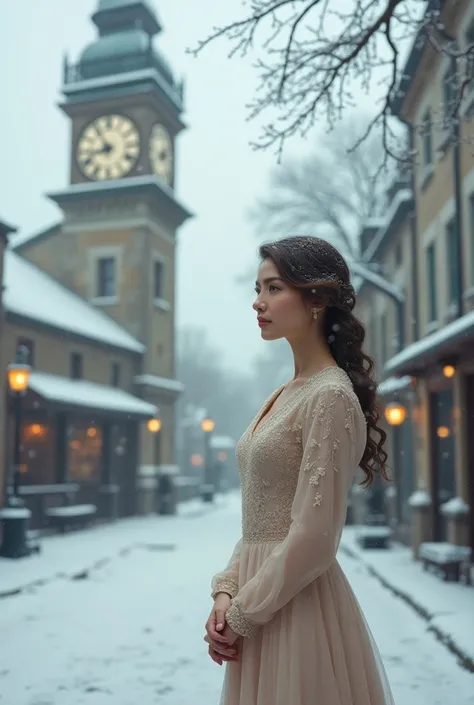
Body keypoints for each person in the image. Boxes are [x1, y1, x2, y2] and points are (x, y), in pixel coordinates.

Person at [204, 236, 395, 705]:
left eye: (273, 288)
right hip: (258, 601)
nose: (257, 301)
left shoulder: (328, 396)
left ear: (316, 300)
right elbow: (261, 518)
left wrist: (245, 611)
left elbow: (314, 536)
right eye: (257, 288)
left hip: (296, 610)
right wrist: (226, 591)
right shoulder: (286, 392)